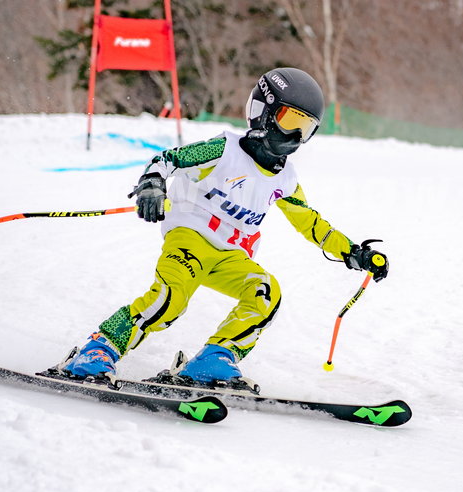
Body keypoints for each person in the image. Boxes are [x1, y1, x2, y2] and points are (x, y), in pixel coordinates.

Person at [56, 67, 388, 387]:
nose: (296, 137)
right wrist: (152, 184)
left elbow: (311, 223)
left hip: (230, 257)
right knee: (170, 300)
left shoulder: (285, 180)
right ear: (263, 113)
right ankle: (98, 348)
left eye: (306, 128)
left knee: (265, 293)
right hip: (190, 240)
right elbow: (168, 159)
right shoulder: (224, 150)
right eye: (291, 122)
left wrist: (353, 252)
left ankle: (214, 359)